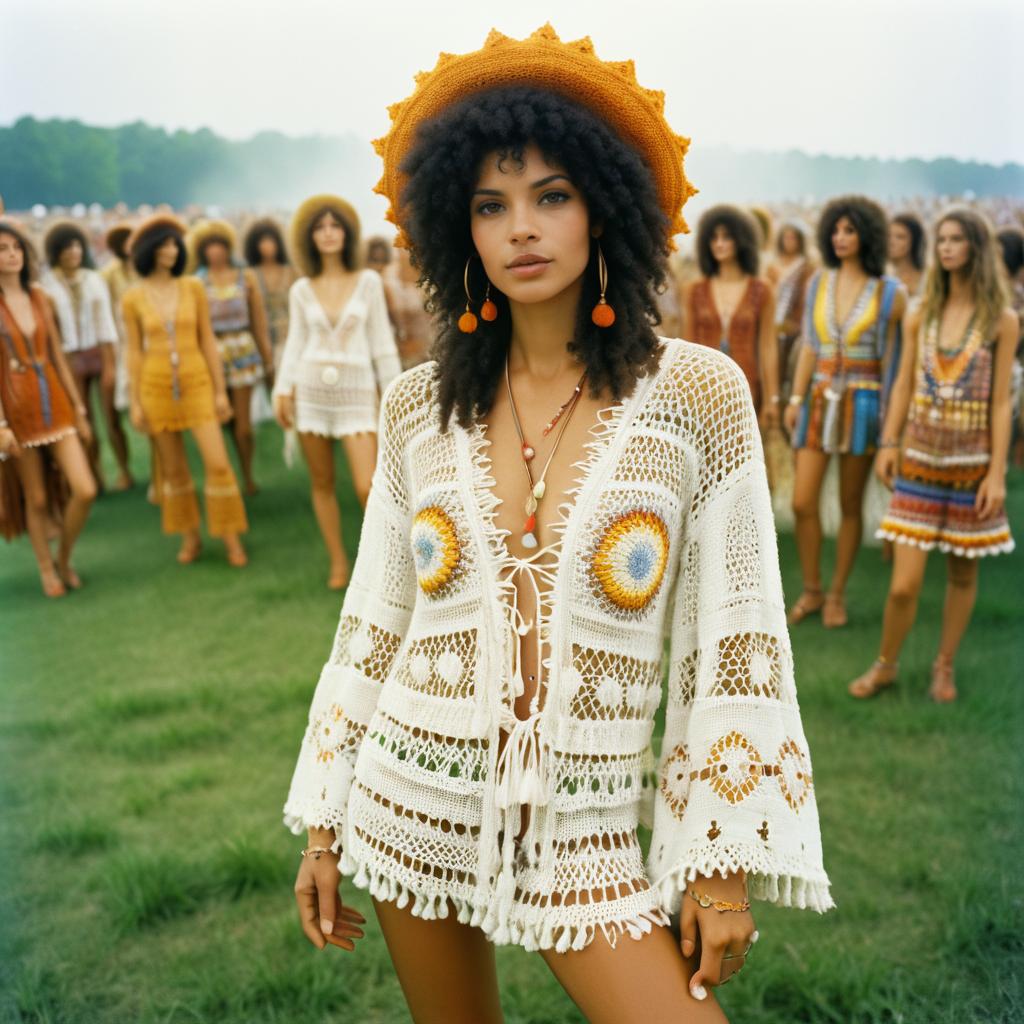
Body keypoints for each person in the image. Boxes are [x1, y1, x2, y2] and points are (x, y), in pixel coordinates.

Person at [284, 26, 831, 1024]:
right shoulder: (418, 407)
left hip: (586, 833)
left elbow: (732, 638)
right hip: (409, 800)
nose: (519, 230)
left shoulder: (697, 396)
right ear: (460, 226)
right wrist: (323, 824)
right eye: (490, 204)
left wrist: (719, 867)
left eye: (551, 195)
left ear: (603, 210)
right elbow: (375, 618)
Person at [849, 208, 1016, 701]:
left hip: (972, 467)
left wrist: (997, 475)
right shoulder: (921, 311)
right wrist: (890, 441)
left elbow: (1002, 401)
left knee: (963, 572)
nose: (945, 247)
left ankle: (944, 665)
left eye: (956, 239)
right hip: (918, 460)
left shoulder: (1001, 321)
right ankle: (885, 665)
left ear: (976, 249)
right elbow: (902, 382)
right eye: (941, 239)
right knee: (905, 584)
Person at [784, 196, 906, 628]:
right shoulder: (819, 281)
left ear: (866, 235)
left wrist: (892, 427)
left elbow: (895, 365)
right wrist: (795, 400)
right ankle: (812, 589)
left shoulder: (891, 292)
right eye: (835, 229)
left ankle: (836, 594)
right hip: (818, 399)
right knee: (802, 502)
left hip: (866, 402)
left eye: (850, 230)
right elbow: (808, 348)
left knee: (850, 503)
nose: (840, 237)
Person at [272, 195, 401, 590]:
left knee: (369, 486)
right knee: (322, 483)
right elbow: (295, 342)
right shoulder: (301, 290)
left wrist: (396, 396)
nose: (328, 233)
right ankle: (338, 563)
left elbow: (382, 343)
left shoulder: (368, 283)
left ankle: (387, 565)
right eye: (319, 227)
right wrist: (282, 389)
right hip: (310, 393)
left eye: (335, 225)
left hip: (358, 395)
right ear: (309, 237)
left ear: (347, 232)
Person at [121, 214, 248, 566]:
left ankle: (230, 539)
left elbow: (207, 339)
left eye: (175, 244)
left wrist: (220, 391)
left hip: (197, 383)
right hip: (154, 387)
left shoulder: (192, 286)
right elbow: (133, 351)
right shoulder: (132, 297)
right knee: (174, 471)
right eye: (164, 245)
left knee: (218, 463)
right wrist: (134, 401)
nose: (172, 251)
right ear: (149, 250)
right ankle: (190, 538)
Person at [0, 220, 96, 596]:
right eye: (3, 249)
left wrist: (80, 410)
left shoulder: (41, 297)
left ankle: (64, 558)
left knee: (84, 488)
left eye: (16, 248)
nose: (11, 254)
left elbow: (57, 354)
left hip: (55, 402)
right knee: (36, 498)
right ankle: (45, 569)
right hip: (15, 410)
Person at [189, 219, 273, 495]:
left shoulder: (244, 277)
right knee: (220, 421)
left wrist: (267, 358)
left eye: (220, 245)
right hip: (210, 352)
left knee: (244, 426)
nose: (215, 252)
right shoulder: (196, 282)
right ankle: (227, 473)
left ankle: (247, 473)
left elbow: (259, 322)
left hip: (242, 350)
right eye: (209, 246)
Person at [41, 220, 125, 490]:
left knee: (112, 417)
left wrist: (111, 364)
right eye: (67, 247)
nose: (73, 251)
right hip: (69, 357)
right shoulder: (46, 285)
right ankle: (94, 473)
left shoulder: (94, 279)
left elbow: (107, 325)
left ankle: (124, 470)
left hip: (98, 351)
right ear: (56, 251)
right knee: (83, 419)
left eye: (77, 245)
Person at [682, 205, 780, 427]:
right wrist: (683, 396)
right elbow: (687, 347)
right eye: (713, 237)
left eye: (727, 237)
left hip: (746, 388)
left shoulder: (762, 290)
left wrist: (772, 399)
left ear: (741, 240)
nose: (719, 243)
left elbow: (768, 347)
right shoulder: (694, 290)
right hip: (702, 391)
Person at [99, 221, 139, 489]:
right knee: (112, 415)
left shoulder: (145, 268)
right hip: (117, 347)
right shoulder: (108, 275)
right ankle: (124, 469)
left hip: (143, 346)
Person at [244, 217, 297, 373]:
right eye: (262, 241)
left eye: (271, 240)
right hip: (263, 339)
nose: (267, 246)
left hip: (291, 337)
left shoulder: (292, 272)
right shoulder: (250, 275)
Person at [887, 212, 927, 300]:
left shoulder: (927, 278)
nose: (891, 242)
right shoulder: (884, 277)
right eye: (888, 236)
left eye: (900, 237)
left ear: (915, 242)